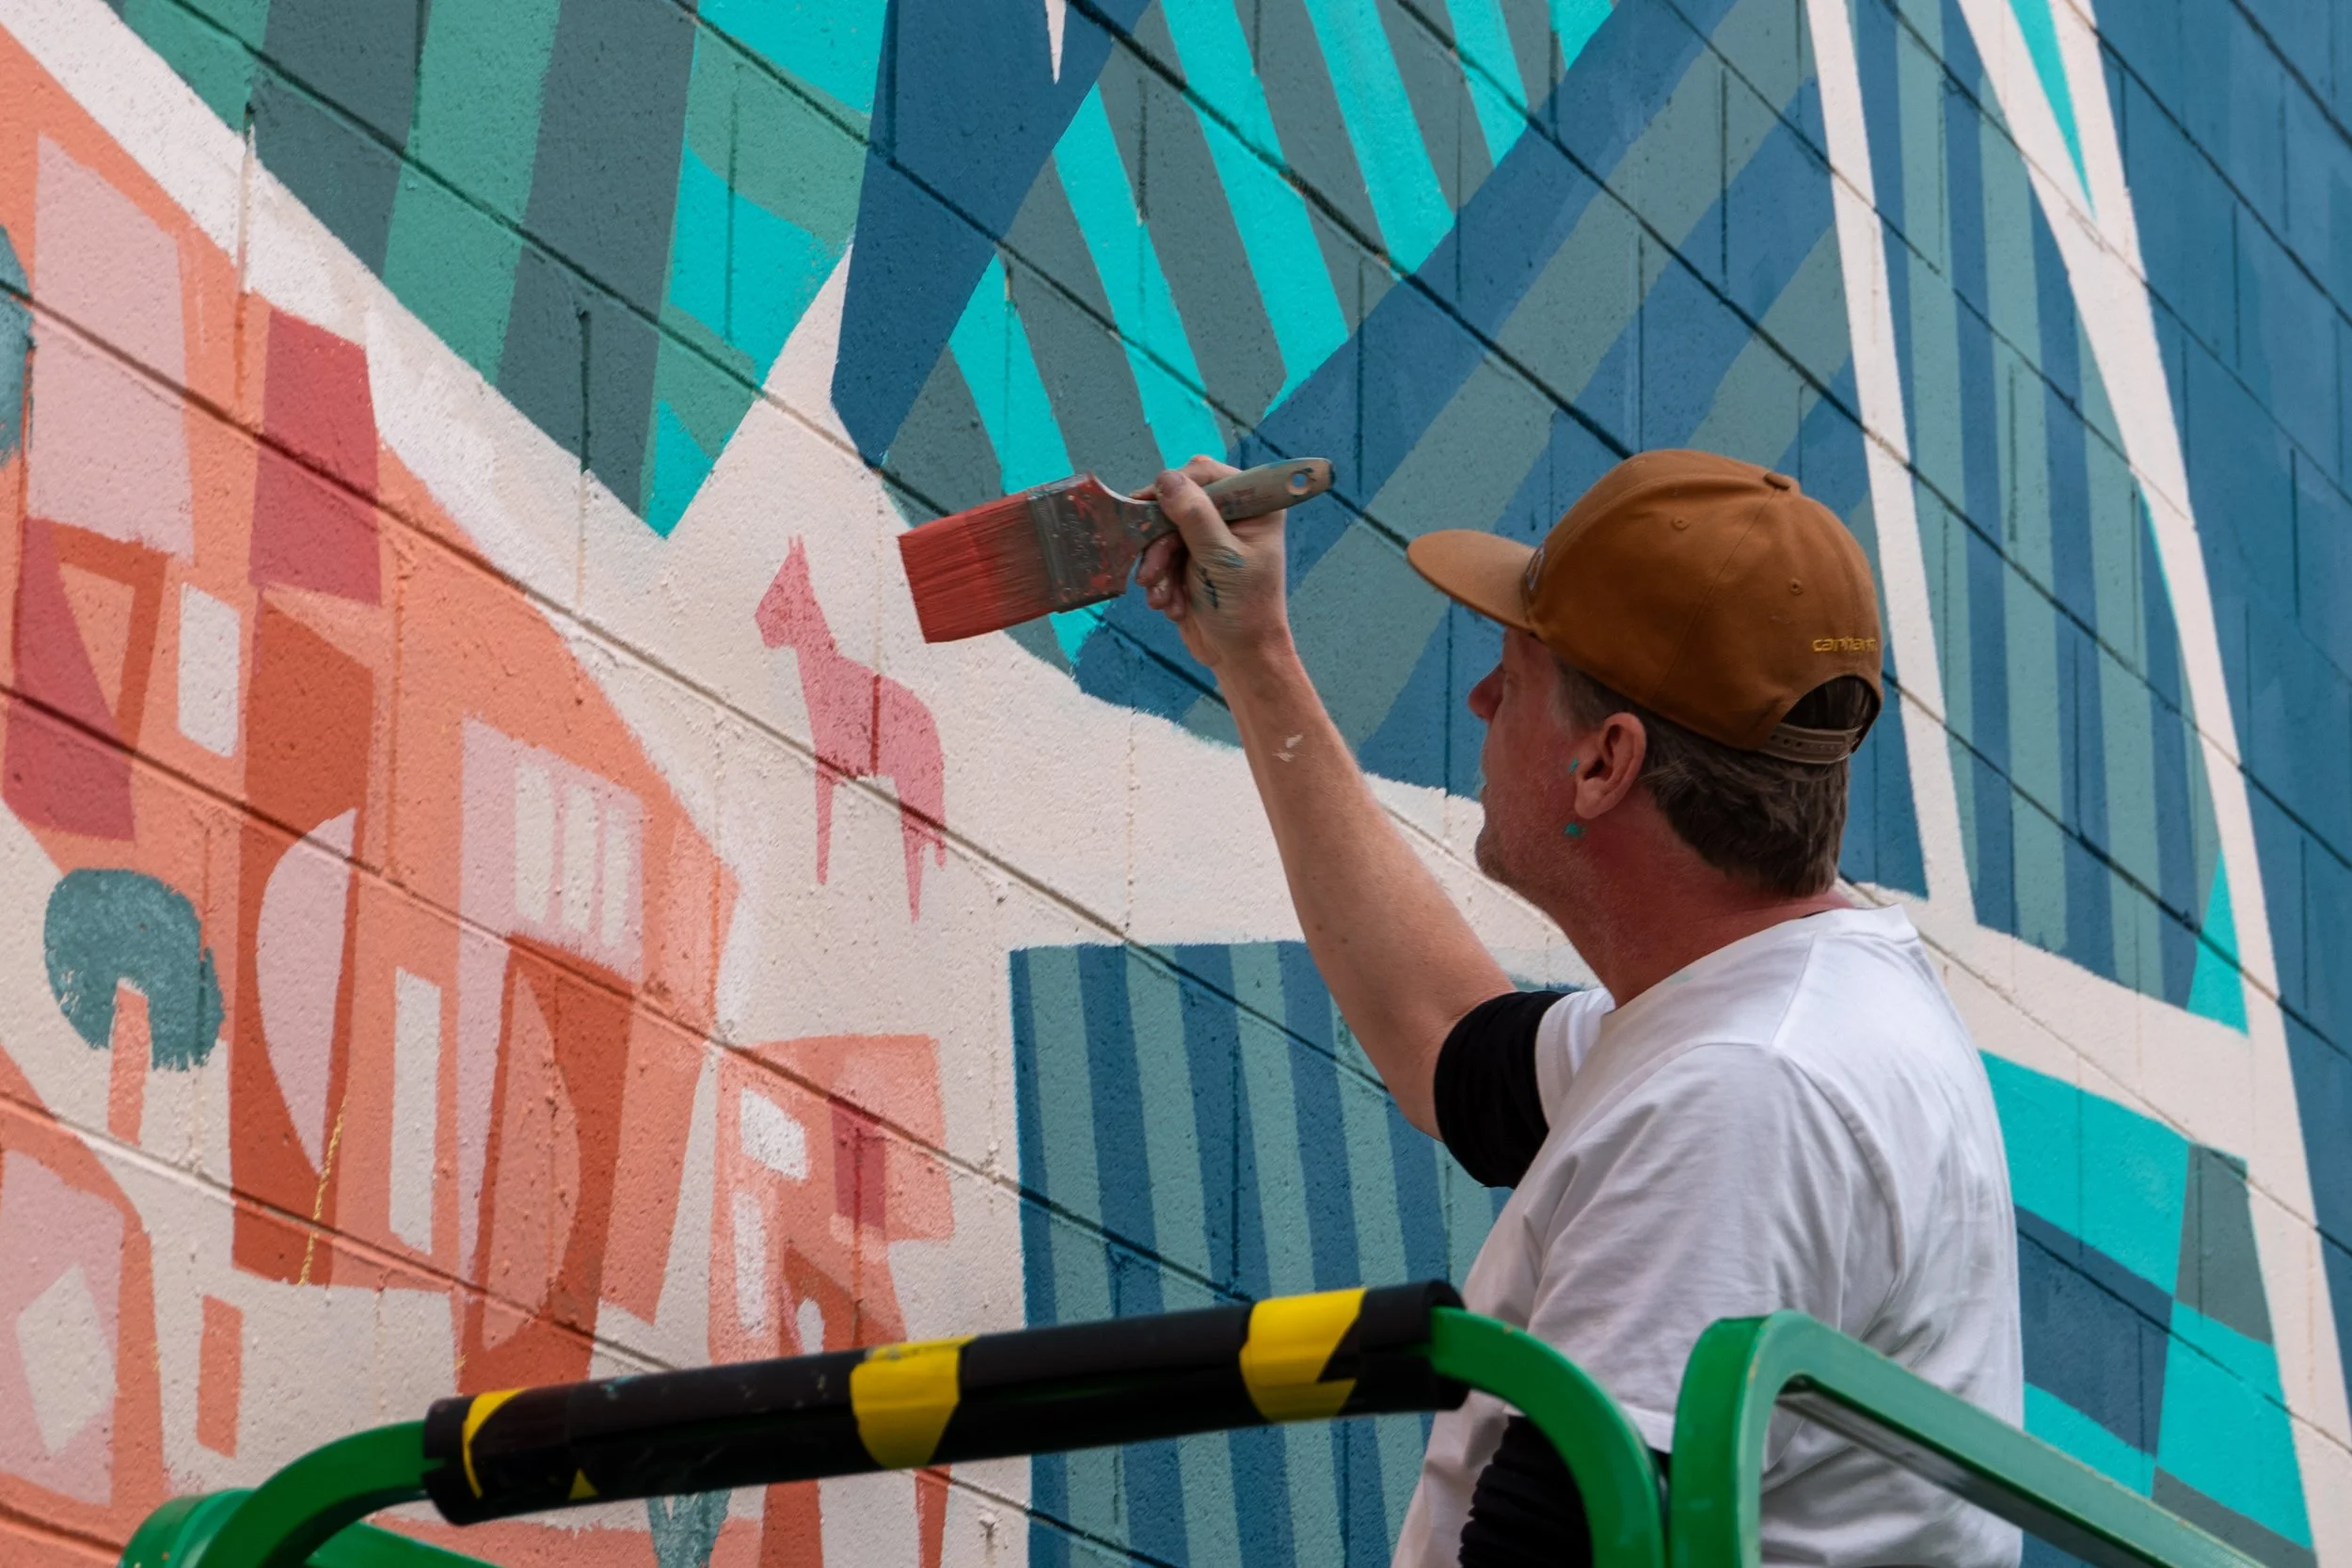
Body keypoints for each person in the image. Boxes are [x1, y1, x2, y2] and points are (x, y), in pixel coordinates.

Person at [1135, 449, 2024, 1568]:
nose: (1482, 697)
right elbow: (1449, 1052)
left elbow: (1563, 1539)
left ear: (1605, 762)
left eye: (1515, 667)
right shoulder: (1775, 1002)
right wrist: (1254, 655)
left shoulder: (1750, 1089)